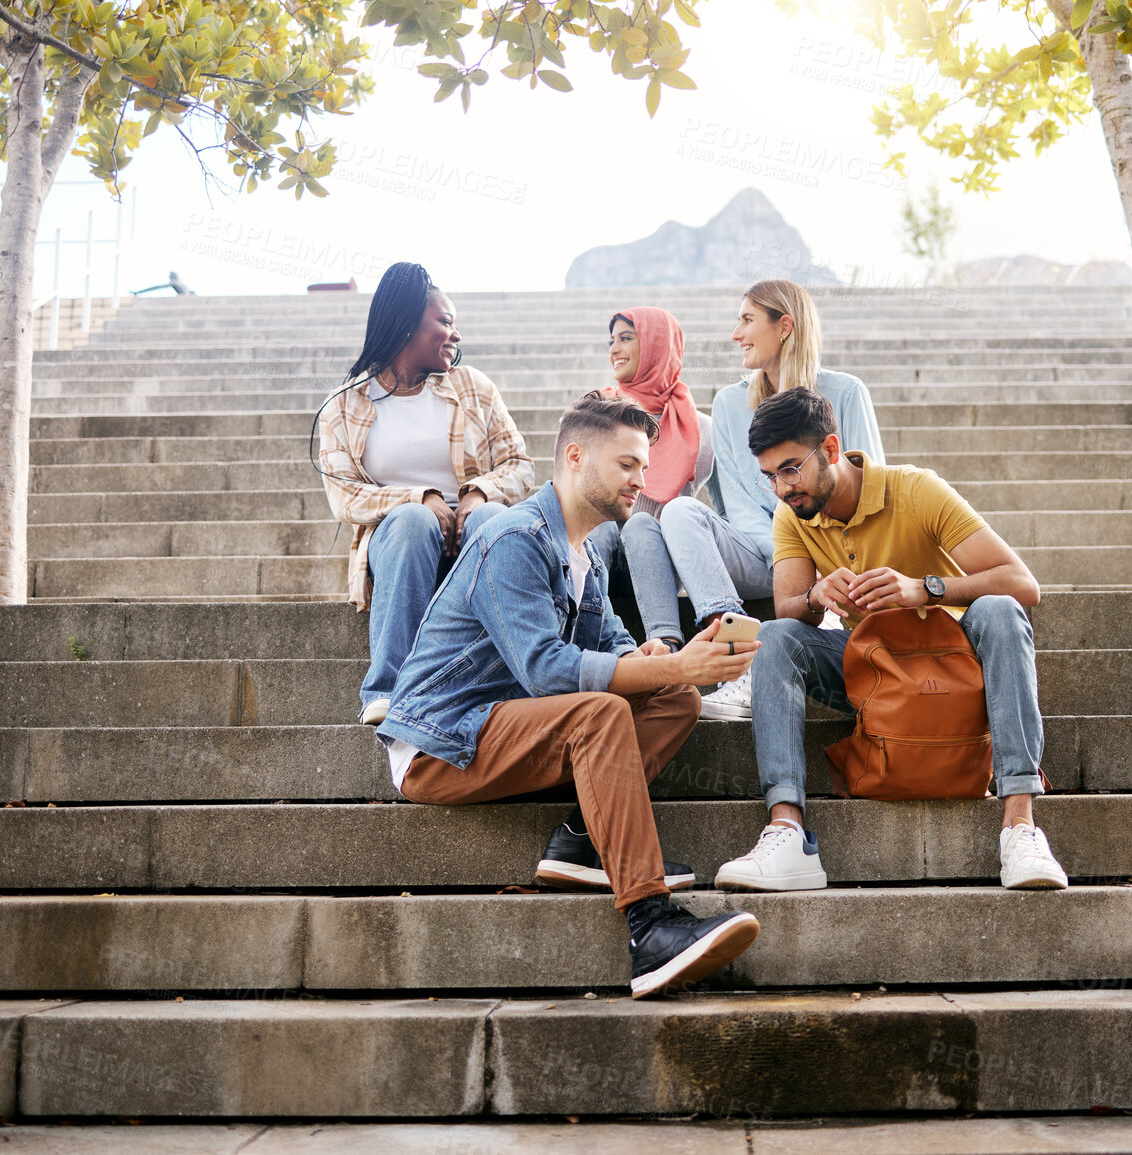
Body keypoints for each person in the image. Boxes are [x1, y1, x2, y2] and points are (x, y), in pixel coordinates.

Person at [376, 391, 764, 998]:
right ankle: (650, 927)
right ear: (576, 457)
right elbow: (548, 672)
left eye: (644, 465)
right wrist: (672, 666)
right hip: (442, 744)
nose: (643, 479)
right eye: (628, 465)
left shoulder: (584, 555)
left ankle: (584, 839)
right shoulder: (515, 539)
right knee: (601, 711)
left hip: (510, 729)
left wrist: (668, 661)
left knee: (678, 699)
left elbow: (613, 646)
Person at [712, 387, 1070, 894]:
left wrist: (922, 588)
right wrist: (816, 594)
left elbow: (1022, 583)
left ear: (831, 450)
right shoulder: (793, 514)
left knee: (1000, 609)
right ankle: (788, 832)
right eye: (769, 476)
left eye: (790, 469)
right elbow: (792, 608)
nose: (781, 488)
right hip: (873, 670)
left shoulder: (916, 490)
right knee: (775, 636)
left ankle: (1020, 825)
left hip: (951, 667)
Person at [626, 279, 884, 717]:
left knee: (681, 512)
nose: (735, 333)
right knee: (655, 520)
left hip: (832, 557)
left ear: (784, 326)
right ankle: (673, 659)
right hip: (763, 554)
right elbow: (741, 510)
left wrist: (811, 559)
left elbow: (870, 492)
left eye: (747, 320)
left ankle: (740, 666)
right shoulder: (728, 404)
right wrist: (785, 554)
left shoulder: (846, 393)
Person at [317, 262, 534, 726]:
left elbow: (520, 467)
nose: (455, 334)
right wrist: (420, 498)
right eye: (445, 322)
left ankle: (519, 674)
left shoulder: (473, 387)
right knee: (413, 521)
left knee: (491, 518)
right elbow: (344, 497)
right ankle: (389, 689)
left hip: (476, 533)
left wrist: (477, 493)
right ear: (406, 323)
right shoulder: (345, 405)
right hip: (403, 541)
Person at [587, 307, 713, 635]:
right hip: (597, 553)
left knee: (642, 524)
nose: (614, 349)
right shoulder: (596, 410)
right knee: (600, 527)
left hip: (656, 560)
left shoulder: (700, 429)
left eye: (626, 338)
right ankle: (579, 633)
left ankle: (665, 642)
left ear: (659, 346)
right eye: (611, 340)